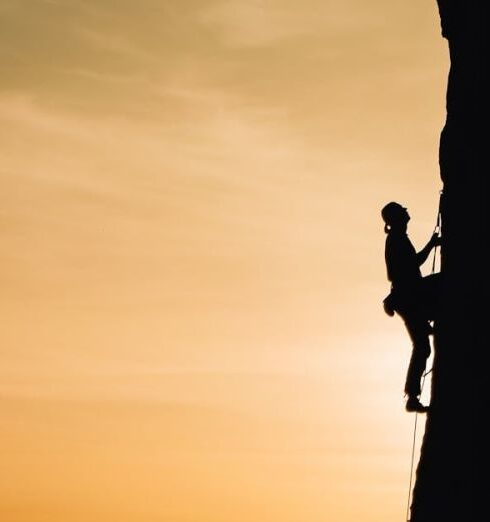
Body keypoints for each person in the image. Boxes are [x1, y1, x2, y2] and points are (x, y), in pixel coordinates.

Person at [381, 202, 441, 413]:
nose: (408, 215)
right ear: (398, 218)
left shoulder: (397, 239)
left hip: (408, 296)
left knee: (422, 345)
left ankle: (413, 396)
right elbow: (412, 264)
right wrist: (432, 244)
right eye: (404, 213)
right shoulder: (396, 240)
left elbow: (410, 266)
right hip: (409, 297)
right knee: (423, 346)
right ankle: (412, 396)